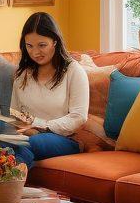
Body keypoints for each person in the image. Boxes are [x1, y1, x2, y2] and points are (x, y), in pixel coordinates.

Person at [6, 12, 89, 170]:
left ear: (55, 41)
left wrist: (41, 127)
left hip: (65, 139)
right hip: (28, 134)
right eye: (29, 46)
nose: (35, 52)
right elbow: (14, 114)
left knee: (27, 144)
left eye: (42, 45)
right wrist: (26, 130)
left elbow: (79, 117)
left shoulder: (74, 71)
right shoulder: (22, 74)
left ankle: (7, 188)